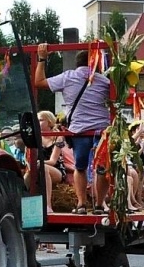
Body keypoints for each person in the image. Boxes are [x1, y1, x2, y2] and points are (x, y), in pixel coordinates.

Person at [33, 44, 113, 213]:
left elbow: (38, 82)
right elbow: (120, 98)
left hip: (80, 130)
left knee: (80, 167)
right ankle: (99, 204)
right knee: (102, 168)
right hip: (101, 130)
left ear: (77, 64)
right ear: (95, 63)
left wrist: (41, 58)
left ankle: (81, 204)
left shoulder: (68, 77)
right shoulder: (106, 81)